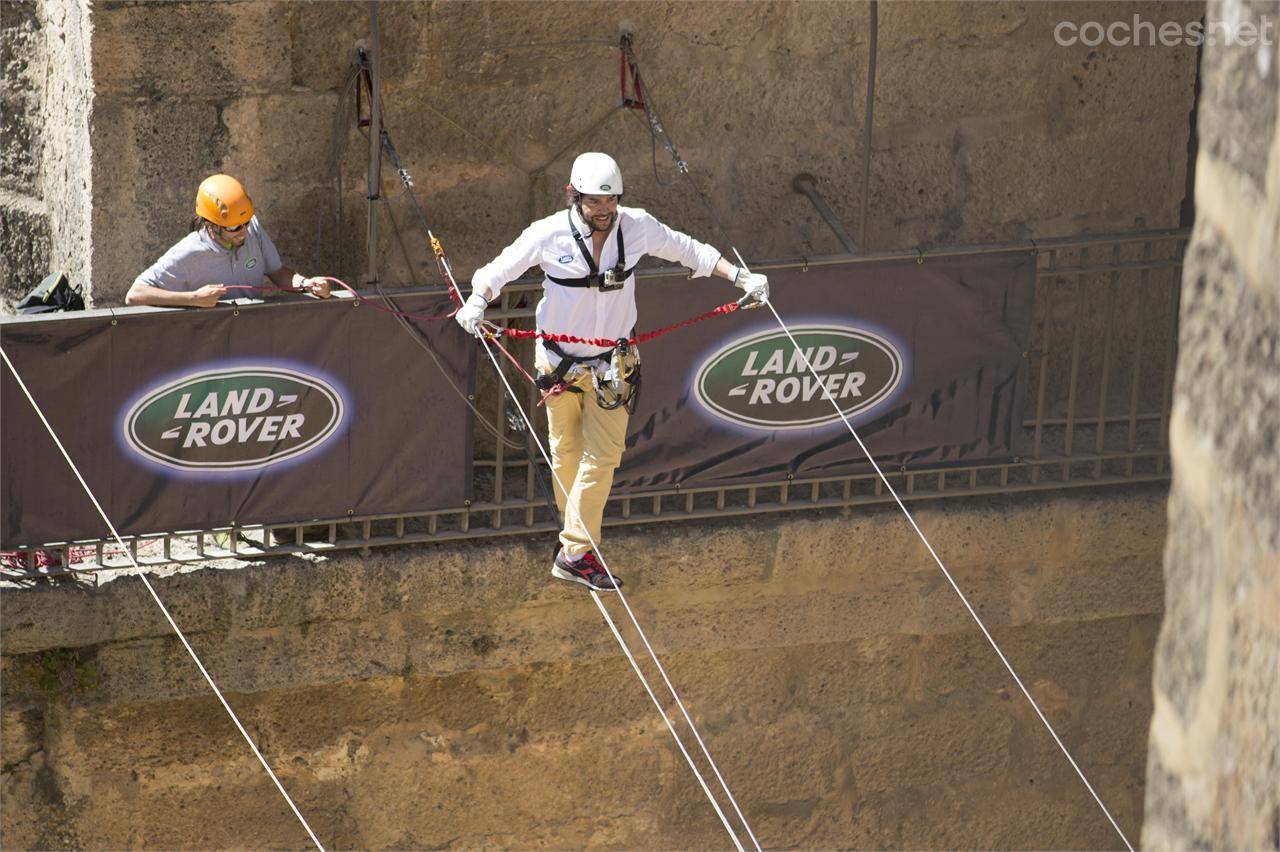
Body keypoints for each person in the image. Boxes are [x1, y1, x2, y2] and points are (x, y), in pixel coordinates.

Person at [456, 152, 768, 592]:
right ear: (575, 196)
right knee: (564, 454)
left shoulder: (636, 227)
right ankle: (574, 537)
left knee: (601, 458)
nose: (604, 211)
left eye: (610, 201)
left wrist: (739, 277)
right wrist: (477, 302)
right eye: (594, 202)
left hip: (611, 366)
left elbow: (688, 250)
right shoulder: (548, 235)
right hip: (559, 363)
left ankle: (576, 551)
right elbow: (498, 270)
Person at [125, 174, 338, 308]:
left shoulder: (252, 228)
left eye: (245, 222)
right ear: (210, 225)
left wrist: (305, 285)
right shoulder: (188, 252)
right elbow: (135, 295)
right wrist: (193, 298)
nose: (243, 232)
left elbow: (278, 272)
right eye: (234, 227)